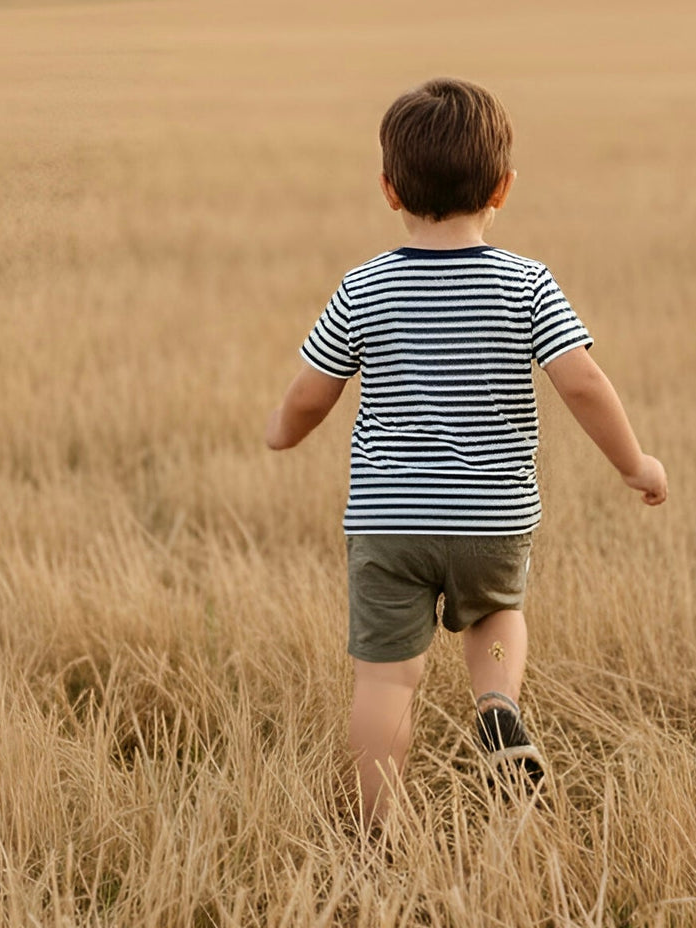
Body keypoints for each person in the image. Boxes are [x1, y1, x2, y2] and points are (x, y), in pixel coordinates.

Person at [265, 77, 667, 825]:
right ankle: (495, 706)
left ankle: (377, 838)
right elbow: (582, 382)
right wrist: (634, 463)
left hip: (389, 524)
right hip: (491, 515)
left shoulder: (365, 287)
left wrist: (281, 433)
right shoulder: (526, 284)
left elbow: (311, 394)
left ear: (389, 190)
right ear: (504, 188)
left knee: (385, 683)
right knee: (496, 619)